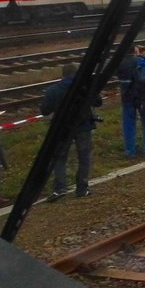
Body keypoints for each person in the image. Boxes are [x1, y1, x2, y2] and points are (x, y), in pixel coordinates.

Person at [40, 63, 103, 201]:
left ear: (63, 75)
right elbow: (98, 102)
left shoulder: (53, 90)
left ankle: (60, 188)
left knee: (59, 157)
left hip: (62, 128)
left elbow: (44, 111)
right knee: (84, 157)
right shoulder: (85, 87)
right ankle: (82, 188)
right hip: (83, 126)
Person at [118, 45, 145, 156]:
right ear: (135, 51)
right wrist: (139, 56)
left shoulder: (120, 63)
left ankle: (130, 151)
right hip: (142, 96)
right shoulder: (139, 61)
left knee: (128, 124)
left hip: (126, 96)